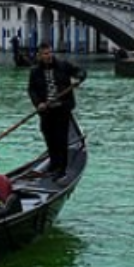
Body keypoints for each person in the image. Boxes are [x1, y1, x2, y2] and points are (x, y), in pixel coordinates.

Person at [28, 43, 86, 185]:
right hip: (46, 111)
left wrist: (78, 79)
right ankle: (53, 166)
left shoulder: (63, 66)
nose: (48, 56)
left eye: (49, 53)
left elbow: (81, 72)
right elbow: (31, 90)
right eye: (45, 54)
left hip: (62, 108)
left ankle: (62, 170)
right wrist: (38, 104)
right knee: (50, 139)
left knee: (61, 140)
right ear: (40, 55)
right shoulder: (35, 71)